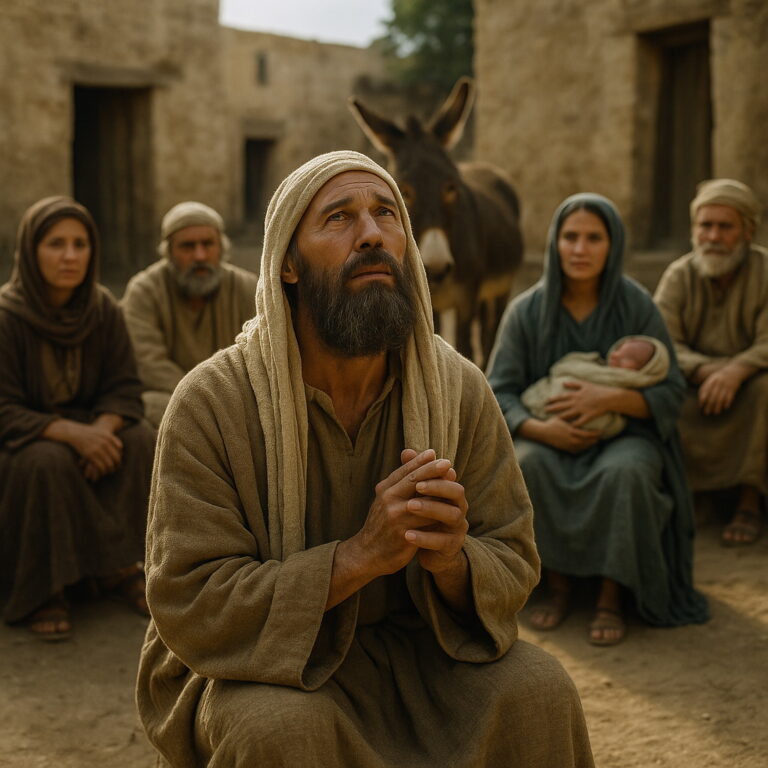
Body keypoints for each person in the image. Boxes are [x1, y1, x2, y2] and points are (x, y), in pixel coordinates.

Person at [136, 152, 595, 767]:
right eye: (339, 218)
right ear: (288, 264)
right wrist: (357, 559)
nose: (372, 233)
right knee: (278, 732)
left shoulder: (457, 388)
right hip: (257, 664)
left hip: (421, 649)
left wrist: (453, 559)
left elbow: (512, 556)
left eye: (386, 214)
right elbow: (190, 599)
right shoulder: (211, 404)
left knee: (540, 691)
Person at [487, 193, 709, 646]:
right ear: (555, 243)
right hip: (546, 435)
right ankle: (557, 586)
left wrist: (612, 399)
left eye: (593, 238)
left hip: (623, 437)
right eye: (570, 237)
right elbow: (497, 392)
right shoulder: (527, 311)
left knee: (625, 473)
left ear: (613, 245)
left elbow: (671, 389)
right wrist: (539, 427)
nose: (580, 249)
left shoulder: (637, 305)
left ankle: (612, 594)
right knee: (530, 466)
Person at [0, 197, 155, 640]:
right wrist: (71, 434)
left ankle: (119, 567)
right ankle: (43, 589)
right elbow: (4, 408)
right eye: (55, 244)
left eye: (80, 244)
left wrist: (101, 432)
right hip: (24, 444)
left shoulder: (102, 309)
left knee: (140, 438)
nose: (70, 256)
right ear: (31, 251)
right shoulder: (6, 318)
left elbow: (124, 387)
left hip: (89, 428)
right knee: (46, 460)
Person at [655, 180, 768, 546]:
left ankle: (749, 502)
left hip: (750, 380)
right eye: (705, 226)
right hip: (696, 382)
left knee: (763, 391)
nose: (713, 236)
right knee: (663, 396)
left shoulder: (765, 272)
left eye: (725, 226)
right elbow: (664, 341)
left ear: (747, 232)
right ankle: (697, 496)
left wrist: (736, 371)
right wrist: (705, 370)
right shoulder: (678, 275)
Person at [121, 202, 258, 427]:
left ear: (221, 248)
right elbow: (147, 362)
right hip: (172, 396)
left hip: (233, 399)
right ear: (169, 253)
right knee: (149, 406)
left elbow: (259, 354)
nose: (200, 256)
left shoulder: (246, 287)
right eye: (187, 247)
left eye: (207, 244)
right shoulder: (144, 290)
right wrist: (200, 398)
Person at [521, 335, 669, 439]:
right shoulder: (596, 364)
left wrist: (612, 398)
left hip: (606, 436)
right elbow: (503, 389)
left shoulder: (628, 381)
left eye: (627, 358)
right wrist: (539, 430)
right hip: (541, 422)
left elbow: (669, 395)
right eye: (618, 350)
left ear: (645, 371)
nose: (616, 356)